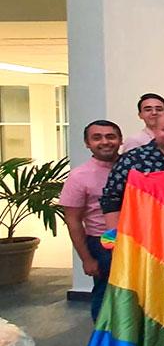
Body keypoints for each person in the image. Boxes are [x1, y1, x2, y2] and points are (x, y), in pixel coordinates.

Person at [61, 120, 122, 321]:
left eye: (110, 136)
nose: (105, 142)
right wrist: (87, 259)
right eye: (97, 138)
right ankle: (102, 337)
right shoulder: (79, 176)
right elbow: (73, 221)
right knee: (105, 295)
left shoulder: (133, 168)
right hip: (102, 244)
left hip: (136, 241)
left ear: (120, 140)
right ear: (87, 143)